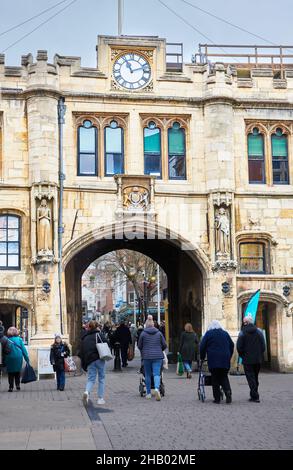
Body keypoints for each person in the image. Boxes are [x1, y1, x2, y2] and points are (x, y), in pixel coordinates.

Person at [200, 320, 234, 404]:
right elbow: (232, 344)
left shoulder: (208, 334)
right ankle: (228, 392)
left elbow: (202, 346)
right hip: (225, 358)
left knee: (215, 378)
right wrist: (229, 355)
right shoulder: (225, 333)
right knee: (224, 376)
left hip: (213, 358)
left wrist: (202, 357)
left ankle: (217, 398)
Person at [237, 314, 266, 403]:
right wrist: (259, 354)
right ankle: (254, 394)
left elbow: (239, 347)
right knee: (255, 377)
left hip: (247, 359)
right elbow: (263, 346)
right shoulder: (259, 331)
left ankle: (255, 396)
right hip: (257, 359)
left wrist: (242, 355)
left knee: (250, 378)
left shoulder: (242, 332)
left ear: (245, 323)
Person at [138, 318, 167, 401]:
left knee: (147, 374)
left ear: (146, 325)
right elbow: (164, 345)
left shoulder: (143, 334)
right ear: (153, 325)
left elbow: (139, 346)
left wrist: (143, 350)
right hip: (158, 356)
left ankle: (148, 393)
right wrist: (159, 349)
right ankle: (157, 389)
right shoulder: (159, 333)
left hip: (147, 356)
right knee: (157, 374)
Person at [80, 320, 108, 406]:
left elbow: (82, 351)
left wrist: (84, 364)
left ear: (89, 327)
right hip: (100, 359)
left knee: (91, 379)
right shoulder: (99, 335)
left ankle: (87, 392)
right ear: (96, 327)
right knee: (101, 378)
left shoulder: (85, 338)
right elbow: (107, 343)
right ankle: (100, 398)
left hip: (90, 361)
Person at [5, 327, 29, 392]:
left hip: (9, 358)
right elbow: (24, 350)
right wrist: (27, 359)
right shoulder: (19, 339)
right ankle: (18, 385)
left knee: (10, 373)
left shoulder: (6, 340)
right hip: (18, 357)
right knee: (17, 372)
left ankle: (11, 387)